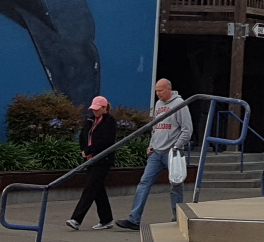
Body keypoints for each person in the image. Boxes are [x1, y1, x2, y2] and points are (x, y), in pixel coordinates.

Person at [117, 78, 193, 230]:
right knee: (144, 183)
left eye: (161, 90)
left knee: (176, 184)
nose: (158, 93)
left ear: (169, 89)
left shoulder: (180, 104)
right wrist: (151, 144)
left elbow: (187, 129)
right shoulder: (158, 105)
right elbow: (155, 127)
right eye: (156, 91)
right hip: (156, 152)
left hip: (172, 152)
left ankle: (178, 218)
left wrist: (176, 146)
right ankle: (134, 219)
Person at [67, 96, 119, 231]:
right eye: (93, 109)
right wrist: (84, 150)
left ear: (104, 108)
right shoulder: (90, 120)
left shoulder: (110, 122)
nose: (95, 111)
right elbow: (83, 136)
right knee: (98, 188)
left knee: (91, 187)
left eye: (97, 109)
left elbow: (107, 141)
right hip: (90, 160)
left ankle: (76, 219)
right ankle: (106, 219)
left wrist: (91, 150)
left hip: (103, 160)